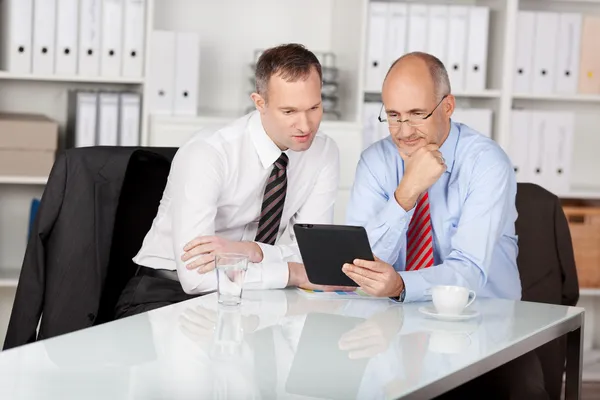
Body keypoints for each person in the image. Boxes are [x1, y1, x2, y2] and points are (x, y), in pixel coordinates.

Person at [342, 52, 548, 399]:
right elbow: (360, 264)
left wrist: (399, 284)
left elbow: (468, 272)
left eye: (417, 115)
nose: (403, 132)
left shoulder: (486, 163)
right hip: (394, 331)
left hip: (484, 331)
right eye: (393, 116)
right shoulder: (376, 162)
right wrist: (406, 194)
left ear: (447, 106)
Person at [114, 43, 353, 319]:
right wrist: (292, 272)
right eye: (289, 112)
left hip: (253, 295)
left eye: (314, 107)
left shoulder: (323, 152)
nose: (306, 125)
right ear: (259, 102)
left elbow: (314, 257)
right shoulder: (208, 153)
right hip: (166, 292)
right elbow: (195, 279)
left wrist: (251, 251)